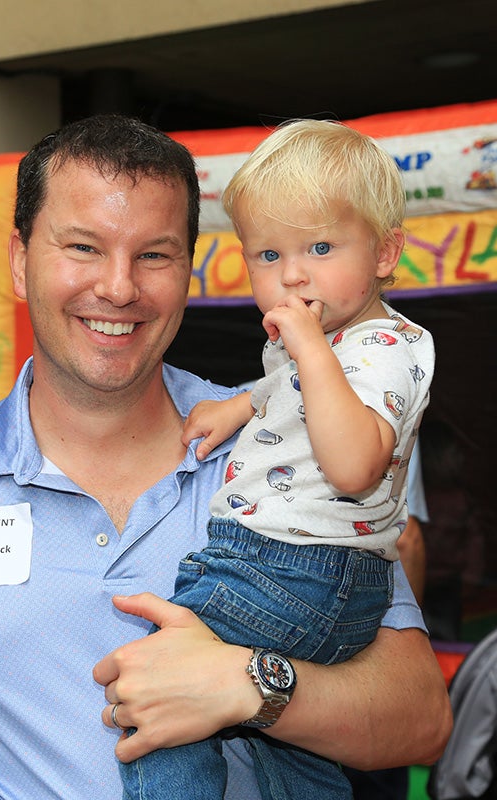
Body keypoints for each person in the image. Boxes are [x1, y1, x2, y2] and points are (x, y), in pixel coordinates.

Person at [0, 114, 451, 800]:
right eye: (83, 247)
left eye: (154, 254)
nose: (118, 288)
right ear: (21, 262)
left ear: (189, 271)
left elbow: (420, 718)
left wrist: (249, 687)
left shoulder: (284, 440)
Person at [121, 119, 434, 798]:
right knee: (295, 754)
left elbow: (355, 464)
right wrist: (238, 407)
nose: (293, 274)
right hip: (310, 572)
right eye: (268, 256)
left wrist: (307, 347)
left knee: (158, 682)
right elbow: (285, 394)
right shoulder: (317, 347)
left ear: (386, 253)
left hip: (292, 568)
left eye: (320, 247)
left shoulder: (383, 348)